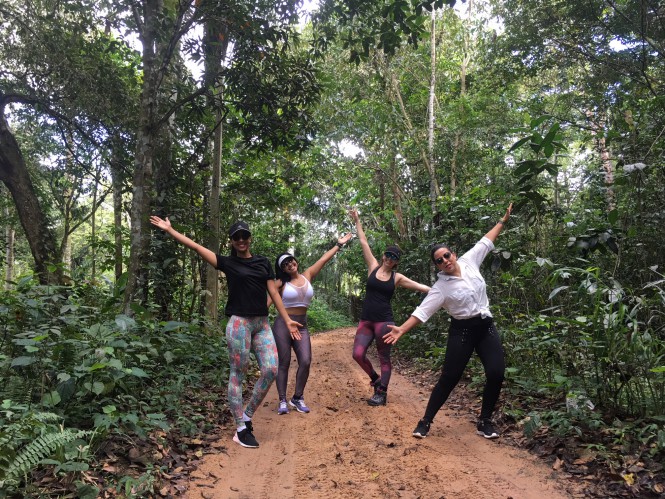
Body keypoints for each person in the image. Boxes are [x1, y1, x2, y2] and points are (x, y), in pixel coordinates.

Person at [149, 216, 300, 449]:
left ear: (250, 238)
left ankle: (247, 416)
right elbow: (196, 247)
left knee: (271, 369)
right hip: (239, 323)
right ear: (231, 241)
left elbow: (273, 292)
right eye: (236, 237)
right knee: (238, 373)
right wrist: (170, 230)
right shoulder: (227, 262)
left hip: (261, 324)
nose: (241, 240)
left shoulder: (262, 262)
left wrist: (287, 319)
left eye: (244, 235)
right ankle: (240, 428)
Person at [384, 203, 513, 440]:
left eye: (446, 255)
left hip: (485, 326)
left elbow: (486, 241)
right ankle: (425, 421)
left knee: (496, 373)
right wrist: (402, 329)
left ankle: (484, 420)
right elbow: (422, 312)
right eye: (439, 260)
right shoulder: (440, 288)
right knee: (449, 377)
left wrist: (502, 221)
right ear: (437, 266)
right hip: (462, 331)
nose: (445, 260)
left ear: (453, 254)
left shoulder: (469, 260)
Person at [349, 208, 431, 406]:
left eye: (393, 257)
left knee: (384, 357)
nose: (389, 258)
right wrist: (357, 221)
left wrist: (442, 290)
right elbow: (363, 242)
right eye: (387, 254)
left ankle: (382, 393)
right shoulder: (373, 267)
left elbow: (421, 287)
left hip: (384, 322)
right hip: (366, 320)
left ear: (396, 262)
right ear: (383, 255)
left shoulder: (397, 278)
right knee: (357, 354)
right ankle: (376, 379)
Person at [271, 232, 354, 415]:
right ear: (282, 269)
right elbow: (267, 303)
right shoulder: (280, 283)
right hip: (283, 325)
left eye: (291, 260)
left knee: (306, 360)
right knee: (284, 362)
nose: (290, 264)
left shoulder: (307, 275)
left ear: (295, 261)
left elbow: (323, 260)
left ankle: (297, 397)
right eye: (285, 264)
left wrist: (338, 245)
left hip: (302, 325)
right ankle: (282, 400)